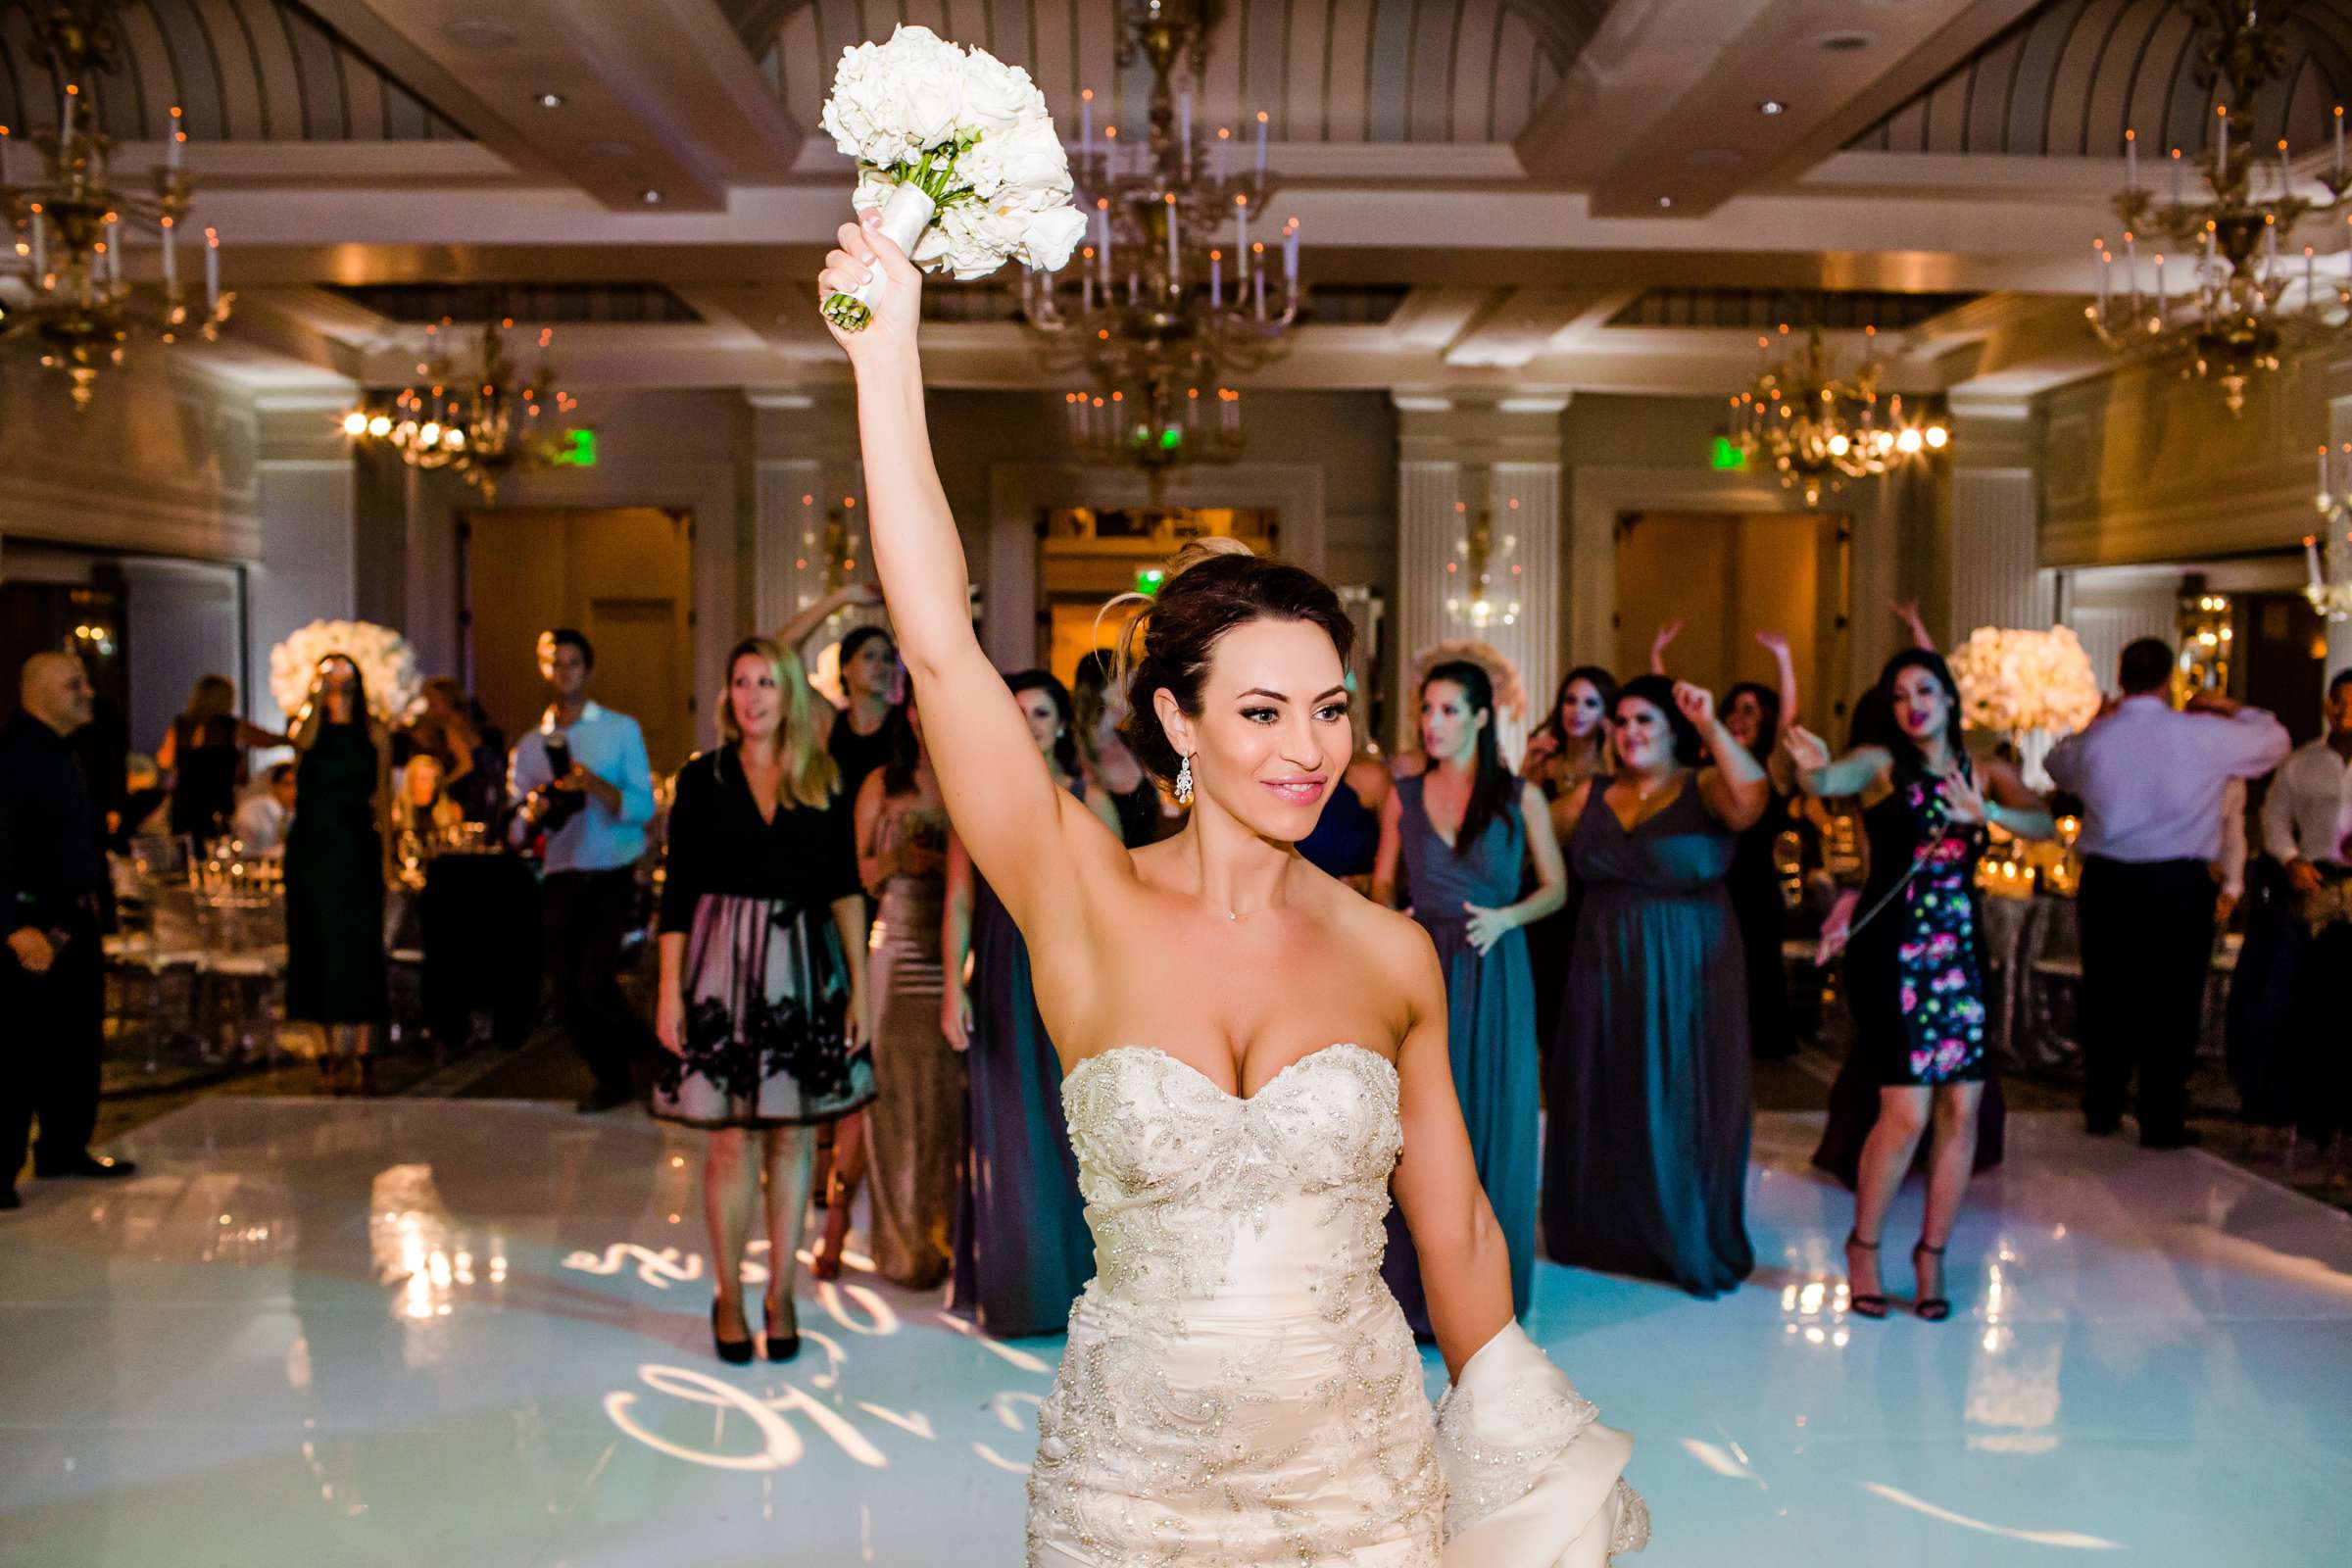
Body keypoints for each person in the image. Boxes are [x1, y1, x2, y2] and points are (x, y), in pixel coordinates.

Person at [822, 214, 1644, 1566]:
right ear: (1179, 724)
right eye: (1261, 711)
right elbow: (940, 647)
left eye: (1328, 709)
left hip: (1365, 1490)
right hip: (1128, 1495)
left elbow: (1460, 1231)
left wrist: (1513, 1454)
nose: (1308, 748)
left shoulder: (1391, 951)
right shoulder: (1080, 893)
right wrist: (886, 356)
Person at [1783, 651, 2054, 1321]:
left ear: (1949, 699)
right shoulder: (1880, 766)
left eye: (1925, 690)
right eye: (1900, 694)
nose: (1913, 704)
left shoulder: (1982, 770)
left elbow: (2045, 824)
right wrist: (1810, 760)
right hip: (1892, 954)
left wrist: (1984, 810)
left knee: (1962, 1111)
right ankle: (1864, 1247)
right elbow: (1821, 780)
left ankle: (1931, 1257)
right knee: (1906, 1115)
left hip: (1960, 955)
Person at [651, 636, 872, 1364]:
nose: (753, 696)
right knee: (729, 1139)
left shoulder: (823, 775)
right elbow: (677, 892)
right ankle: (729, 1293)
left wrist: (860, 993)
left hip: (805, 967)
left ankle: (780, 1293)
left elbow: (846, 889)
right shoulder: (702, 778)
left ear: (790, 694)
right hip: (719, 965)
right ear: (727, 695)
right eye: (741, 682)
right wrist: (668, 992)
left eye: (767, 682)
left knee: (793, 1134)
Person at [1542, 675, 1769, 1298]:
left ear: (1674, 731)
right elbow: (1520, 838)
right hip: (1602, 961)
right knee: (1602, 1084)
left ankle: (1681, 1230)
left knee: (1679, 1090)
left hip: (1690, 965)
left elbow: (1753, 801)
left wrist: (1712, 725)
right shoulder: (1587, 795)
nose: (1629, 732)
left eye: (1644, 721)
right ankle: (1602, 1231)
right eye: (1620, 721)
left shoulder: (1706, 788)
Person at [1372, 659, 1564, 1331]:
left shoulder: (1521, 798)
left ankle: (1487, 1299)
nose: (1433, 724)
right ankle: (1417, 1299)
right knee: (1420, 1130)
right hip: (1427, 969)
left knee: (1496, 1123)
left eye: (1449, 710)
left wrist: (1507, 917)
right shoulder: (1403, 794)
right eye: (1426, 710)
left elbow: (1557, 888)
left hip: (1497, 964)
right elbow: (1382, 893)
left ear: (1482, 717)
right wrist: (1398, 931)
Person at [2044, 639, 2289, 1149]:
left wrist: (2095, 720)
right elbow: (2274, 741)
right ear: (2167, 680)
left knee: (2108, 993)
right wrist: (2229, 707)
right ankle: (2161, 1118)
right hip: (2178, 885)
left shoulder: (2100, 738)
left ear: (2122, 675)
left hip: (2109, 882)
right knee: (2172, 1000)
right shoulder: (2201, 735)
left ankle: (2103, 1106)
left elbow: (2055, 764)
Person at [941, 669, 1121, 1336]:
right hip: (997, 971)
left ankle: (1084, 1289)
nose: (1027, 725)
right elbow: (958, 899)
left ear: (1059, 724)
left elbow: (1117, 904)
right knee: (1007, 1126)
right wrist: (949, 986)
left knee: (1074, 1127)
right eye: (1015, 714)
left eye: (1039, 714)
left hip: (1071, 970)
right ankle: (1021, 1291)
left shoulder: (1088, 797)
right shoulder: (974, 798)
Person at [2, 653, 138, 1209]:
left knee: (75, 1042)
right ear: (37, 692)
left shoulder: (72, 751)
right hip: (34, 923)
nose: (87, 692)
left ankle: (63, 1146)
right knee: (19, 1048)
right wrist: (12, 926)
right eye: (73, 685)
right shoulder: (13, 756)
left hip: (75, 919)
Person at [509, 627, 660, 1113]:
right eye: (555, 663)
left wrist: (595, 786)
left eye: (573, 663)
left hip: (612, 867)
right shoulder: (532, 745)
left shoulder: (619, 730)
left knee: (596, 979)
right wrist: (535, 809)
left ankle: (643, 1060)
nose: (564, 672)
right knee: (567, 989)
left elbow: (642, 806)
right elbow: (514, 829)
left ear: (587, 670)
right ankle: (618, 1070)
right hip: (562, 869)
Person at [855, 688, 960, 1289]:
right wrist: (901, 862)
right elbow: (856, 873)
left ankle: (943, 1242)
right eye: (918, 705)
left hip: (955, 951)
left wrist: (944, 864)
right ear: (908, 715)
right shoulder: (881, 784)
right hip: (894, 952)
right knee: (892, 1104)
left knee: (947, 1104)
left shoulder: (969, 777)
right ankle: (898, 1249)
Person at [2246, 669, 2352, 1165]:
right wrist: (2290, 859)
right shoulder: (2303, 762)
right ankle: (2302, 1118)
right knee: (2308, 1004)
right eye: (2339, 703)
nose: (2345, 712)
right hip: (2317, 887)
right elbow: (2273, 816)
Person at [284, 656, 391, 1096]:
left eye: (344, 672)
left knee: (360, 945)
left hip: (356, 845)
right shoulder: (307, 727)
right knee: (314, 945)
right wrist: (316, 697)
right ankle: (325, 1054)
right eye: (329, 672)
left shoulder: (376, 732)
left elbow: (382, 797)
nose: (337, 680)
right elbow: (302, 743)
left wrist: (387, 857)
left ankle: (364, 1052)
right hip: (312, 847)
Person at [1518, 665, 1615, 1073]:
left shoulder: (1615, 770)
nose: (1577, 711)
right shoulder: (1545, 763)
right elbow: (1512, 825)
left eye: (1590, 703)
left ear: (1607, 713)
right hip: (1541, 890)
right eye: (1571, 700)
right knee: (1546, 997)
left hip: (1592, 893)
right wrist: (1528, 766)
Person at [1718, 634, 1803, 1061]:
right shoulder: (1712, 767)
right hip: (1716, 881)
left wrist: (1784, 659)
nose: (1738, 717)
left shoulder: (1773, 767)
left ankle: (1762, 1047)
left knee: (1758, 965)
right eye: (1733, 709)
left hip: (1755, 884)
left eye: (1749, 711)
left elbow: (1790, 722)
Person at [156, 674, 284, 841]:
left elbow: (164, 760)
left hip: (185, 804)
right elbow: (268, 740)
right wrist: (294, 740)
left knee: (188, 853)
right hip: (217, 802)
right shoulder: (229, 726)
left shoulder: (182, 726)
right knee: (217, 851)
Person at [1071, 648, 1168, 847]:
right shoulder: (1070, 751)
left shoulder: (1133, 741)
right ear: (1104, 688)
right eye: (1129, 683)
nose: (1135, 692)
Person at [399, 676, 504, 825]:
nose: (429, 708)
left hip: (476, 787)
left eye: (432, 702)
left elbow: (467, 764)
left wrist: (442, 784)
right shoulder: (461, 721)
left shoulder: (453, 725)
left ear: (446, 700)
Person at [233, 762, 298, 855]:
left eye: (298, 785)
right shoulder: (253, 810)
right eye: (288, 784)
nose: (294, 791)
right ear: (274, 785)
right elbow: (244, 850)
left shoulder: (293, 812)